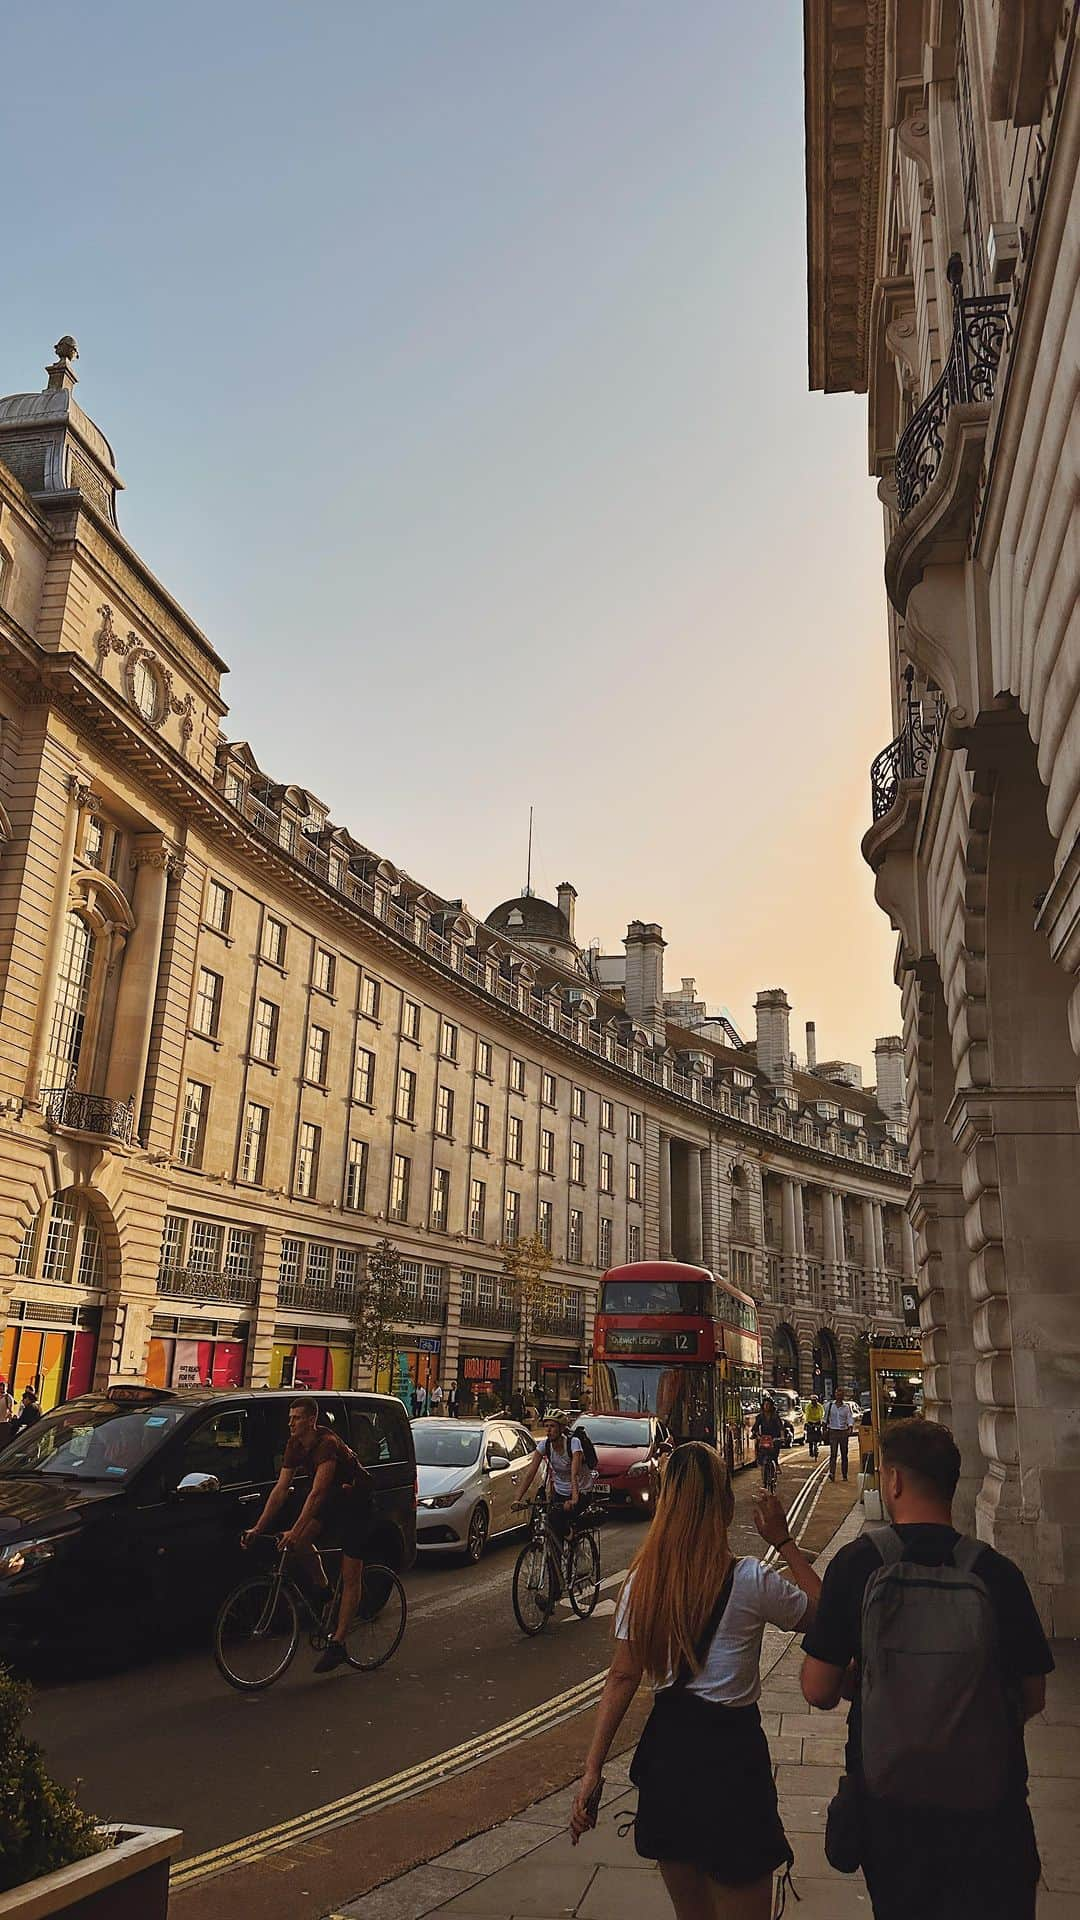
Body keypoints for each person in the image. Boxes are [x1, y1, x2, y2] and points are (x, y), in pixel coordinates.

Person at [801, 1419, 1052, 1920]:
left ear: (892, 1482)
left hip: (892, 1816)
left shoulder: (856, 1565)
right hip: (989, 1814)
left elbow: (817, 1689)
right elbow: (1032, 1697)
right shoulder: (997, 1574)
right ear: (952, 1483)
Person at [570, 1446, 821, 1918]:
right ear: (724, 1505)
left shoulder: (642, 1581)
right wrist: (784, 1541)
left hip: (670, 1767)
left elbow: (622, 1676)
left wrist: (592, 1772)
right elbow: (824, 1613)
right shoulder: (750, 1580)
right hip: (731, 1766)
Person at [242, 1397, 374, 1673]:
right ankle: (325, 1590)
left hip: (356, 1501)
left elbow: (318, 1494)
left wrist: (295, 1529)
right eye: (289, 1418)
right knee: (297, 1544)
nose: (290, 1423)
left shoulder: (327, 1444)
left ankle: (338, 1644)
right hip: (332, 1501)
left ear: (311, 1420)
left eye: (296, 1418)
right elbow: (280, 1490)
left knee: (351, 1574)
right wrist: (258, 1527)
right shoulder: (294, 1445)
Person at [515, 1415, 595, 1550]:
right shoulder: (544, 1446)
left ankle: (575, 1547)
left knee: (557, 1518)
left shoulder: (573, 1443)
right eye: (546, 1426)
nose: (548, 1430)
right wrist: (517, 1499)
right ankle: (555, 1568)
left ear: (561, 1428)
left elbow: (574, 1474)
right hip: (560, 1492)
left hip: (580, 1491)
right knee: (552, 1531)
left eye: (552, 1426)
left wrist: (574, 1500)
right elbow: (530, 1474)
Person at [751, 1396, 783, 1487]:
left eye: (768, 1405)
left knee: (774, 1452)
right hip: (764, 1438)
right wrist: (756, 1435)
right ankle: (764, 1475)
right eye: (765, 1405)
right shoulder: (760, 1416)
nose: (767, 1406)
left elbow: (781, 1428)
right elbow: (755, 1427)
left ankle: (776, 1464)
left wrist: (782, 1437)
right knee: (761, 1454)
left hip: (774, 1438)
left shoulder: (775, 1416)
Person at [825, 1387, 853, 1481]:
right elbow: (825, 1418)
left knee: (844, 1454)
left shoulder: (846, 1407)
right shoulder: (829, 1406)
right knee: (833, 1454)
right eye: (837, 1394)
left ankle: (844, 1475)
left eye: (841, 1395)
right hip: (833, 1431)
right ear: (835, 1395)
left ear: (843, 1396)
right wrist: (824, 1428)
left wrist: (850, 1427)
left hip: (843, 1432)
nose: (839, 1397)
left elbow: (849, 1418)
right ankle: (832, 1473)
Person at [804, 1393, 825, 1461]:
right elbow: (807, 1415)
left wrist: (821, 1422)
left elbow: (822, 1414)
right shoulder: (808, 1406)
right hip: (810, 1422)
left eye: (815, 1400)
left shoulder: (820, 1406)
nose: (814, 1402)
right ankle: (810, 1449)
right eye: (812, 1401)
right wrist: (807, 1422)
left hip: (817, 1422)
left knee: (818, 1435)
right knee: (810, 1438)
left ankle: (818, 1443)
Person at [0, 1379, 15, 1452]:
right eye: (1, 1387)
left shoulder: (8, 1397)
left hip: (4, 1422)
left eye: (4, 1387)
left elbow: (11, 1410)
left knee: (3, 1440)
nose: (2, 1388)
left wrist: (9, 1416)